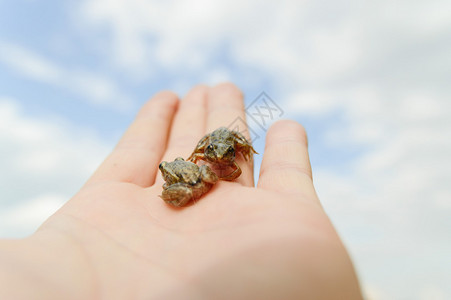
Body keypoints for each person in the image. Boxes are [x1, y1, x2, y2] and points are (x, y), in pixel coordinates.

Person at [0, 83, 363, 299]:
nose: (220, 160)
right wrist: (196, 159)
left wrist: (241, 151)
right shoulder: (205, 152)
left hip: (224, 138)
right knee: (213, 144)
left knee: (231, 143)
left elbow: (230, 156)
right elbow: (205, 146)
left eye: (222, 156)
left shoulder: (226, 154)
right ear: (204, 155)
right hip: (208, 144)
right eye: (212, 156)